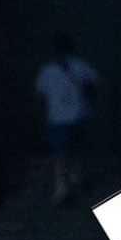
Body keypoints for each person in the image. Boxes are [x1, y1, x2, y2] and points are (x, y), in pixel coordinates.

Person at [33, 34, 97, 205]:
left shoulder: (47, 70)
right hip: (79, 115)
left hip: (57, 118)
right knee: (76, 151)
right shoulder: (82, 66)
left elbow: (40, 96)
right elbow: (92, 86)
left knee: (60, 154)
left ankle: (62, 188)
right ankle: (76, 179)